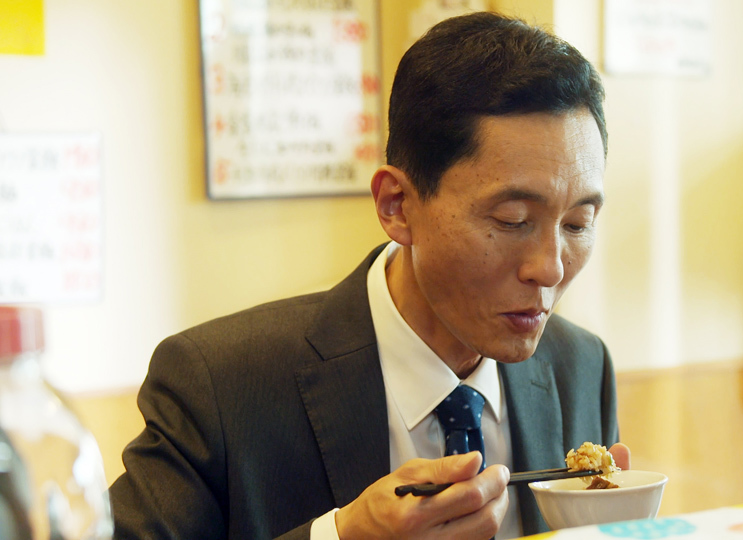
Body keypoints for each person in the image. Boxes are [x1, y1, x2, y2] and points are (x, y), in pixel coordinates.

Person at [109, 11, 628, 540]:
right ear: (397, 205)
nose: (550, 267)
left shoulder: (581, 367)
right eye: (512, 221)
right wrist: (341, 536)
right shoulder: (220, 386)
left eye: (577, 223)